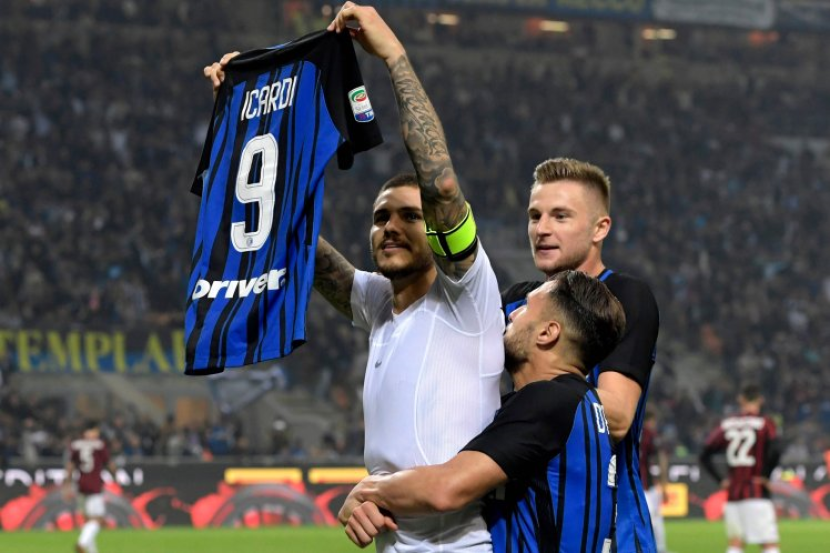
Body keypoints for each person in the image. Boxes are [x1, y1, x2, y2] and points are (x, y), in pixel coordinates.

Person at [206, 4, 504, 551]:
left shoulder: (468, 296)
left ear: (436, 228)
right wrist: (239, 123)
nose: (390, 227)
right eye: (380, 217)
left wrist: (392, 56)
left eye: (409, 216)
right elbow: (289, 233)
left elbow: (440, 185)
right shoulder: (377, 303)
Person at [338, 271, 626, 552]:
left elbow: (446, 489)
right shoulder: (585, 404)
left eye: (526, 307)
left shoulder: (546, 401)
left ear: (547, 333)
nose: (512, 315)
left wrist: (369, 490)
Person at [501, 158, 660, 552]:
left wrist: (513, 409)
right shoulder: (514, 303)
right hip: (525, 532)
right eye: (535, 216)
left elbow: (616, 417)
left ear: (599, 228)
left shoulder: (623, 297)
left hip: (612, 532)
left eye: (561, 216)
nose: (542, 229)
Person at [700, 383, 782, 553]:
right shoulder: (765, 423)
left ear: (741, 399)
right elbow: (776, 449)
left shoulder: (727, 423)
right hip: (756, 490)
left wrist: (720, 480)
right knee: (768, 544)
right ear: (760, 400)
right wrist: (765, 475)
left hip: (734, 493)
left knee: (736, 543)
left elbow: (704, 454)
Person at [63, 421, 117, 553]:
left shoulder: (75, 445)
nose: (96, 434)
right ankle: (82, 543)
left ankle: (92, 551)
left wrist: (67, 485)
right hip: (95, 486)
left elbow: (70, 466)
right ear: (89, 431)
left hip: (81, 485)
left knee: (88, 520)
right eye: (95, 431)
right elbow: (110, 464)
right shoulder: (99, 445)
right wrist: (115, 476)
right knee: (98, 520)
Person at [641, 406, 670, 553]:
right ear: (651, 421)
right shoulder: (651, 435)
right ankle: (657, 548)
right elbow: (661, 460)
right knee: (654, 518)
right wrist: (664, 485)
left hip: (638, 484)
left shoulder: (631, 431)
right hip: (647, 485)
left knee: (652, 518)